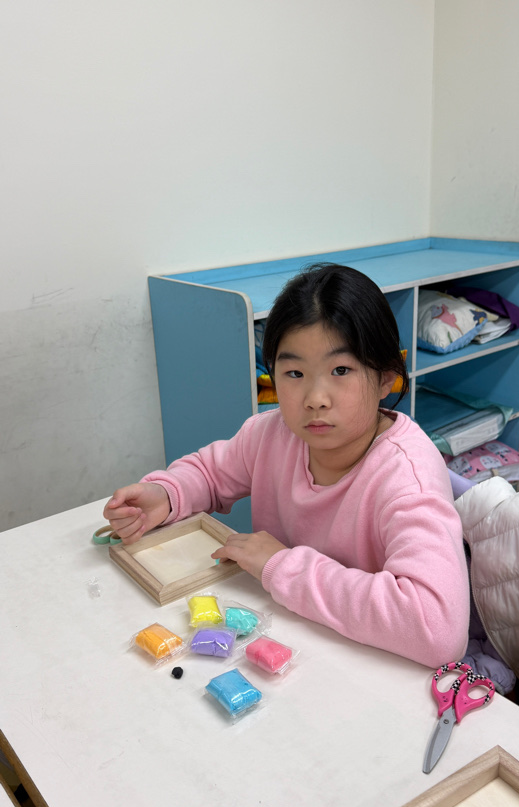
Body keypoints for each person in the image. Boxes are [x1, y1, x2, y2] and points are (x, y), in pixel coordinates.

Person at [104, 263, 469, 667]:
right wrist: (166, 494)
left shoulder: (407, 478)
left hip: (370, 666)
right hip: (289, 642)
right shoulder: (271, 433)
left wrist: (283, 567)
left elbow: (437, 629)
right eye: (294, 373)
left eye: (341, 370)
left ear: (385, 378)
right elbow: (209, 474)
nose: (315, 398)